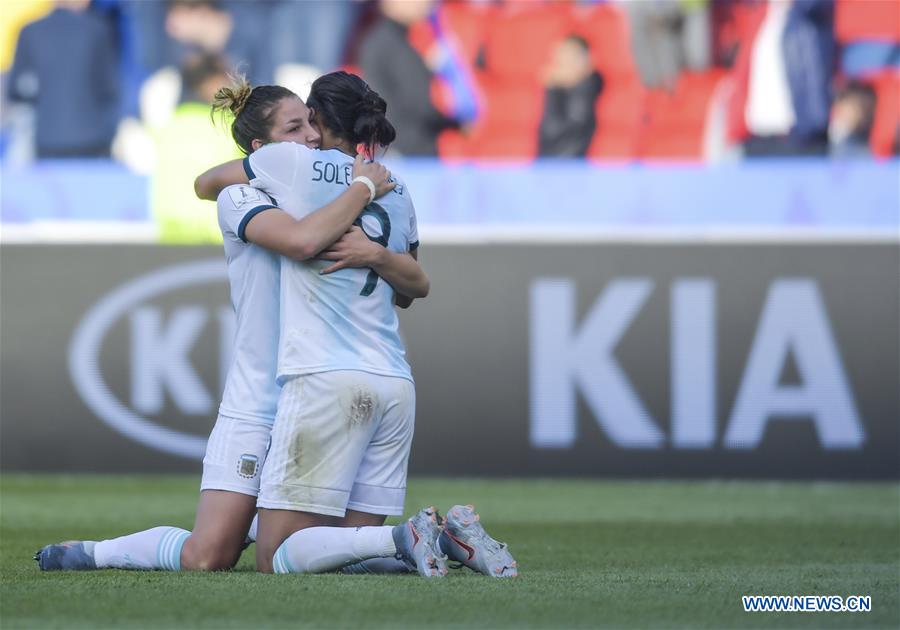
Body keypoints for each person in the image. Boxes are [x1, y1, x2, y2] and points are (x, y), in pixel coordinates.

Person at [34, 80, 399, 573]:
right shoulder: (242, 198)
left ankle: (264, 521)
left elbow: (406, 277)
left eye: (312, 123)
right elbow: (297, 239)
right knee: (207, 557)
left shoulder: (325, 193)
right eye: (295, 128)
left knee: (326, 559)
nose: (311, 137)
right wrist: (363, 187)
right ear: (260, 150)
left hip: (317, 392)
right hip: (258, 400)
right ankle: (92, 553)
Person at [195, 70, 517, 578]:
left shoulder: (294, 165)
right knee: (346, 557)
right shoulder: (399, 185)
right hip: (393, 379)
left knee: (276, 556)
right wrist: (374, 248)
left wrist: (309, 179)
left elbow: (206, 184)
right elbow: (415, 289)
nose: (305, 134)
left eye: (307, 121)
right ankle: (448, 539)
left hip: (324, 375)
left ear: (320, 121)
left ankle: (402, 534)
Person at [7, 0, 119, 159]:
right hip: (92, 141)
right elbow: (110, 90)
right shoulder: (98, 30)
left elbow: (16, 90)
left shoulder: (30, 31)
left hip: (47, 140)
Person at [538, 35, 604, 158]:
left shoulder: (591, 84)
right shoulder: (556, 86)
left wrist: (554, 89)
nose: (565, 64)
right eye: (561, 59)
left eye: (571, 58)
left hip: (573, 165)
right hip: (546, 164)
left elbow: (558, 129)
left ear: (587, 60)